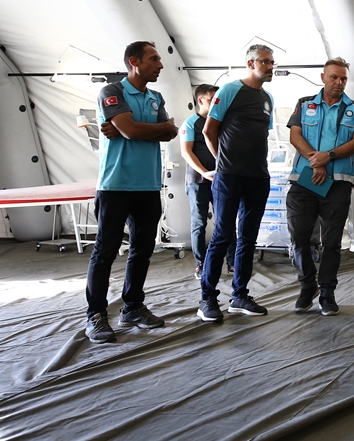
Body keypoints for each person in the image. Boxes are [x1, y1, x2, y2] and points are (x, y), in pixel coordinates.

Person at [84, 41, 178, 343]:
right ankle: (95, 315)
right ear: (134, 62)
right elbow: (137, 130)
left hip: (148, 186)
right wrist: (145, 129)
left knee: (142, 250)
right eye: (154, 59)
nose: (160, 65)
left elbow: (171, 132)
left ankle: (133, 307)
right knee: (105, 252)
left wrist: (133, 128)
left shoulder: (155, 97)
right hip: (115, 186)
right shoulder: (111, 92)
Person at [197, 44, 276, 322]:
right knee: (222, 235)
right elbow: (209, 131)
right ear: (250, 64)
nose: (270, 66)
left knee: (248, 239)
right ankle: (207, 298)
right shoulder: (230, 90)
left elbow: (261, 136)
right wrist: (222, 162)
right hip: (229, 176)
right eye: (265, 62)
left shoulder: (267, 98)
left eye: (272, 62)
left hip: (258, 178)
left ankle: (239, 296)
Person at [286, 58, 354, 315]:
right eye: (334, 77)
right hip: (304, 179)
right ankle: (307, 285)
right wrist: (316, 161)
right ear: (323, 77)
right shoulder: (304, 104)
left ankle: (327, 292)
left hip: (338, 183)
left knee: (331, 242)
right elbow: (295, 135)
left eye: (343, 78)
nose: (339, 82)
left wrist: (328, 157)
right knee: (299, 237)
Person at [179, 84, 217, 280]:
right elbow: (186, 152)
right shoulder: (191, 122)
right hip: (197, 181)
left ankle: (231, 262)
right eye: (212, 99)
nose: (216, 103)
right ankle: (201, 264)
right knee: (199, 222)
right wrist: (204, 173)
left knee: (225, 222)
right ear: (201, 100)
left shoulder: (220, 121)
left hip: (220, 180)